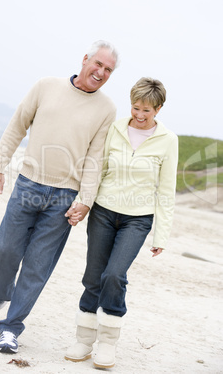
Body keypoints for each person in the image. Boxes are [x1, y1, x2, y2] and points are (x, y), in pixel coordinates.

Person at [0, 40, 119, 354]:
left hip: (64, 199)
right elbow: (17, 126)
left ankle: (11, 328)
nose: (101, 72)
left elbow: (96, 159)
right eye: (98, 64)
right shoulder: (46, 86)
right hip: (28, 185)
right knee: (6, 249)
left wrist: (85, 200)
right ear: (85, 60)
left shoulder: (106, 109)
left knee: (37, 267)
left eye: (108, 70)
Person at [65, 77, 179, 369]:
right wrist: (84, 201)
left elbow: (166, 190)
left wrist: (161, 236)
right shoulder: (115, 128)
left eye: (147, 111)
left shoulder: (168, 140)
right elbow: (97, 170)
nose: (139, 116)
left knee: (114, 275)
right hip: (103, 211)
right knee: (93, 276)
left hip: (138, 219)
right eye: (136, 108)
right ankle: (84, 339)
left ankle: (107, 343)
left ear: (159, 109)